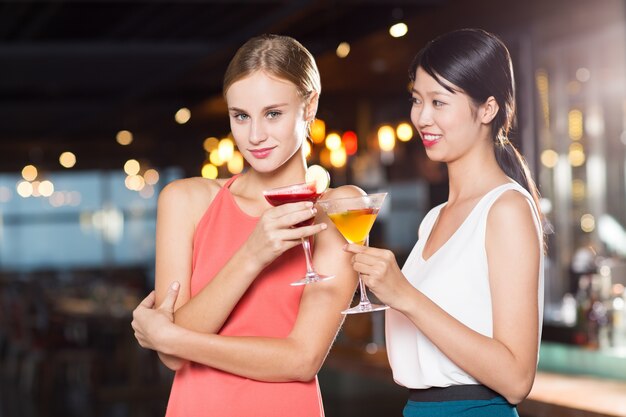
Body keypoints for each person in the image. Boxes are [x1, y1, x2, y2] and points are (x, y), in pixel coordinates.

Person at [131, 34, 360, 417]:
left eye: (273, 113)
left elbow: (302, 359)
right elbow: (173, 358)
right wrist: (253, 254)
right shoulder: (185, 200)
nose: (254, 136)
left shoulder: (340, 207)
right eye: (241, 116)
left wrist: (172, 337)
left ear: (309, 107)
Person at [344, 28, 544, 417]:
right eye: (417, 100)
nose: (422, 117)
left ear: (488, 109)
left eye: (439, 102)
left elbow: (518, 379)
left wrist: (403, 295)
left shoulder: (505, 210)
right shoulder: (434, 218)